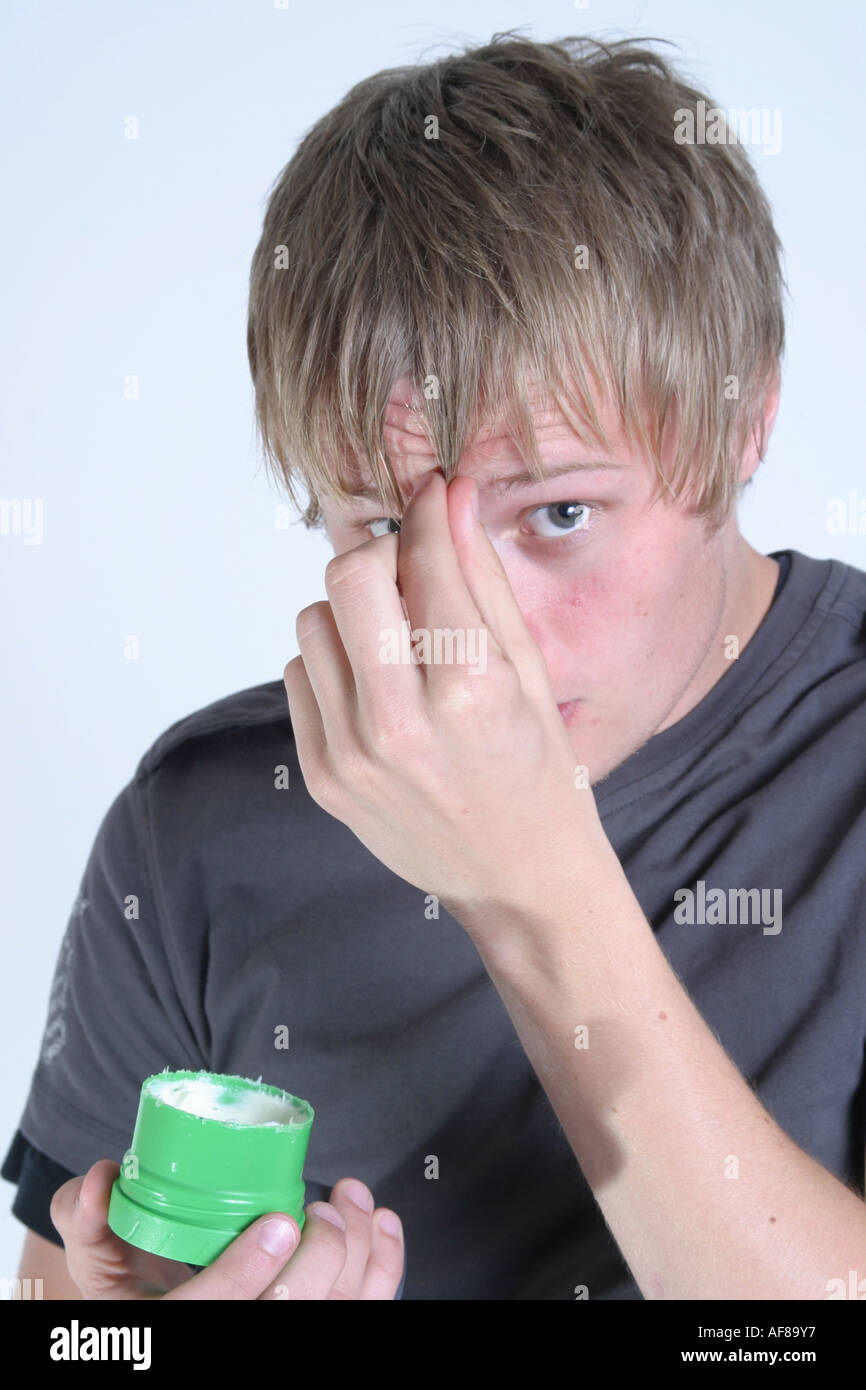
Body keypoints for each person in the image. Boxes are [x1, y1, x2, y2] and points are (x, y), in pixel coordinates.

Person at [4, 31, 865, 1301]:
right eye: (383, 526)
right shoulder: (199, 822)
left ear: (745, 422)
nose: (471, 628)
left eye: (557, 514)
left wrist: (524, 875)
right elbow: (61, 1324)